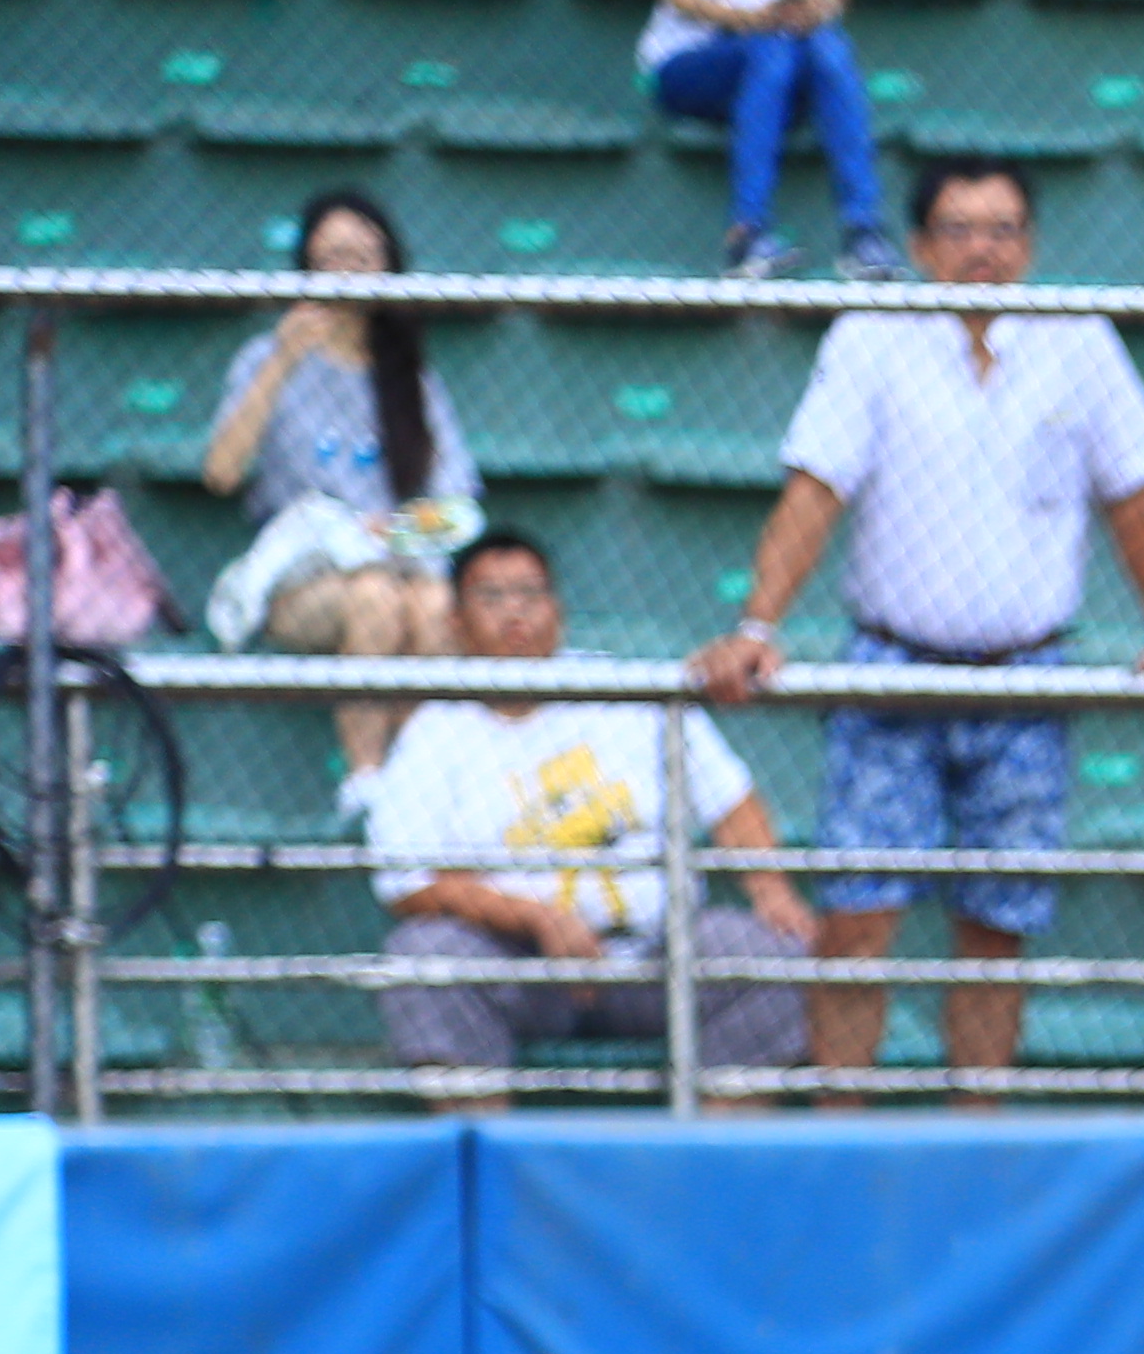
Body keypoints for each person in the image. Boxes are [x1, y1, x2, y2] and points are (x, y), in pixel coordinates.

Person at [695, 156, 1144, 1094]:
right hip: (889, 670)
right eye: (961, 229)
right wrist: (757, 623)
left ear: (1032, 244)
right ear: (920, 245)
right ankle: (841, 1132)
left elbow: (1134, 498)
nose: (984, 249)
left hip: (1028, 676)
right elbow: (815, 489)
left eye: (1003, 229)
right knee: (857, 921)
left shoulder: (1080, 341)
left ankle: (979, 1129)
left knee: (996, 931)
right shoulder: (872, 338)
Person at [363, 528, 810, 1099]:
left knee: (771, 952)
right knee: (424, 957)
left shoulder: (624, 693)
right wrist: (534, 918)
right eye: (492, 597)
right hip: (521, 967)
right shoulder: (434, 730)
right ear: (455, 621)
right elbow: (407, 882)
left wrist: (772, 890)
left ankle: (716, 1146)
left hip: (658, 956)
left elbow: (731, 799)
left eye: (531, 594)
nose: (515, 612)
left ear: (559, 610)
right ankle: (479, 1146)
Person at [199, 188, 478, 783]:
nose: (347, 272)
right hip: (304, 580)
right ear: (305, 268)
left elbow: (456, 505)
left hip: (396, 562)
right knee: (375, 596)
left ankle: (419, 781)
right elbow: (221, 472)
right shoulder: (264, 358)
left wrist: (392, 532)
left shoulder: (410, 377)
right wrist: (282, 360)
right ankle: (366, 778)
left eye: (363, 257)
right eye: (331, 257)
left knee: (432, 604)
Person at [638, 0, 897, 283]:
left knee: (830, 49)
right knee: (773, 51)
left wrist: (805, 12)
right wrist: (754, 19)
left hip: (788, 64)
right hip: (693, 61)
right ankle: (748, 232)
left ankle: (863, 231)